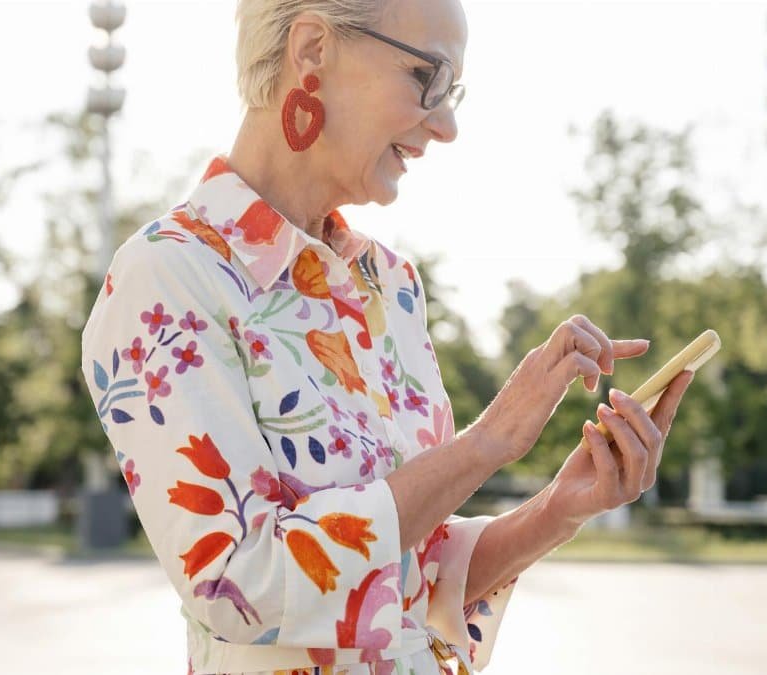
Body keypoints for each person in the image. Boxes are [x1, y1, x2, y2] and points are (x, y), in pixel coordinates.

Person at [80, 1, 695, 673]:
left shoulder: (389, 285)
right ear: (312, 48)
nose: (447, 123)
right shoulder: (170, 274)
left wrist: (561, 506)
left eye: (452, 90)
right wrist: (486, 443)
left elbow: (410, 582)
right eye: (428, 76)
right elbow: (236, 586)